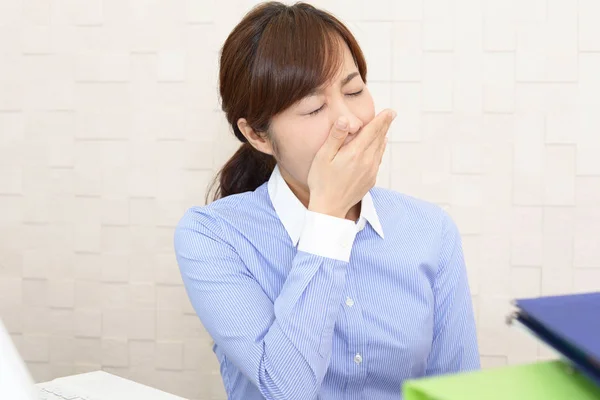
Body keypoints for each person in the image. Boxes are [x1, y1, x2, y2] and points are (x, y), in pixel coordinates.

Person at [174, 2, 480, 399]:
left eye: (354, 90)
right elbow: (285, 390)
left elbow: (459, 390)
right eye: (314, 107)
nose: (349, 121)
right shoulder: (214, 237)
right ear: (257, 136)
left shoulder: (430, 231)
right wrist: (329, 216)